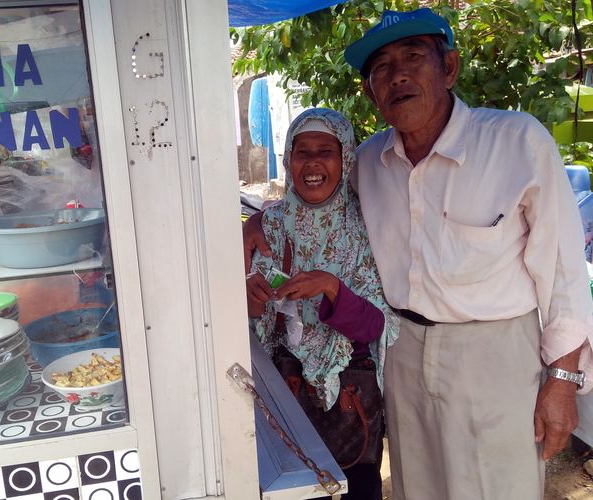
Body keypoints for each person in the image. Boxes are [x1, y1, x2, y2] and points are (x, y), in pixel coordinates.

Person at [244, 8, 593, 500]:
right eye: (381, 67)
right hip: (401, 351)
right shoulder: (367, 161)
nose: (398, 75)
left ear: (448, 68)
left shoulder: (516, 142)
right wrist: (257, 223)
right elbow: (315, 205)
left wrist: (562, 379)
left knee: (499, 486)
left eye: (413, 56)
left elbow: (563, 272)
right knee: (418, 488)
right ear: (371, 91)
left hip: (494, 352)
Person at [246, 107, 398, 500]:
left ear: (345, 158)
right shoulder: (268, 226)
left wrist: (332, 288)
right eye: (302, 152)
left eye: (325, 151)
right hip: (284, 396)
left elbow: (376, 327)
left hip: (352, 405)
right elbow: (253, 329)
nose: (312, 163)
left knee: (358, 492)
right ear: (288, 160)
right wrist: (251, 300)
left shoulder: (369, 227)